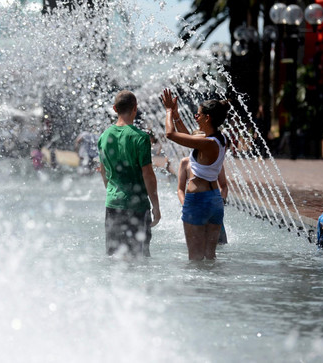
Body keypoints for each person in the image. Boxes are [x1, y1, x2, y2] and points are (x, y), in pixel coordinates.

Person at [162, 88, 230, 260]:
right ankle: (213, 286)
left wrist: (169, 111)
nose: (195, 117)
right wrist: (176, 114)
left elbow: (170, 134)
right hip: (215, 200)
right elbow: (187, 135)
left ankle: (196, 287)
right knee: (210, 256)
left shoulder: (208, 143)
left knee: (195, 257)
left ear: (208, 118)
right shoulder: (218, 140)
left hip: (198, 200)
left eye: (198, 115)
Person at [97, 90, 161, 257]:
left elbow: (103, 171)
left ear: (114, 108)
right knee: (139, 258)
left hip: (113, 204)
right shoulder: (140, 138)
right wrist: (156, 206)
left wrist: (112, 192)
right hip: (137, 206)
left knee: (114, 257)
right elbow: (148, 174)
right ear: (135, 108)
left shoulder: (104, 136)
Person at [177, 144, 229, 244]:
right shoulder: (186, 162)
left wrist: (221, 202)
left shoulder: (215, 161)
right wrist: (185, 205)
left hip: (213, 206)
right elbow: (180, 189)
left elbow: (224, 186)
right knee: (196, 246)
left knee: (220, 245)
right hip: (194, 205)